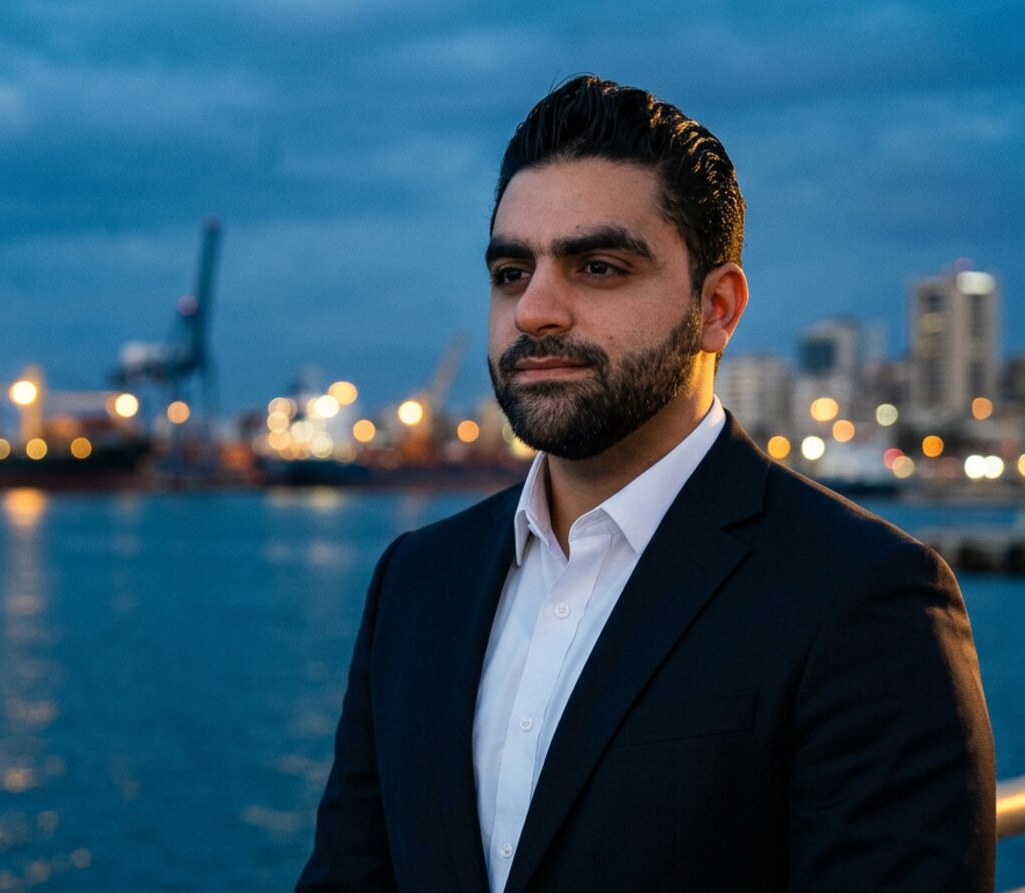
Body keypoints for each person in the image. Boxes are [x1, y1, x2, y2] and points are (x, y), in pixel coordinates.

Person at [298, 76, 995, 892]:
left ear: (717, 309)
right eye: (511, 271)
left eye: (597, 266)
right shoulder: (415, 583)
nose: (536, 311)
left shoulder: (865, 598)